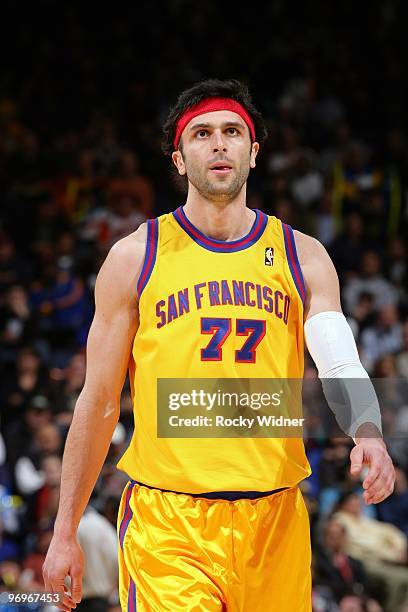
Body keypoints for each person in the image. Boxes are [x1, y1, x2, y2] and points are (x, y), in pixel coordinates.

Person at [42, 79, 395, 612]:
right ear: (179, 159)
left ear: (253, 153)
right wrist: (65, 529)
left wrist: (367, 429)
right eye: (202, 134)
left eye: (232, 132)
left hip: (275, 522)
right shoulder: (136, 257)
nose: (219, 144)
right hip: (171, 526)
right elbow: (99, 401)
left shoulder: (304, 255)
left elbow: (337, 356)